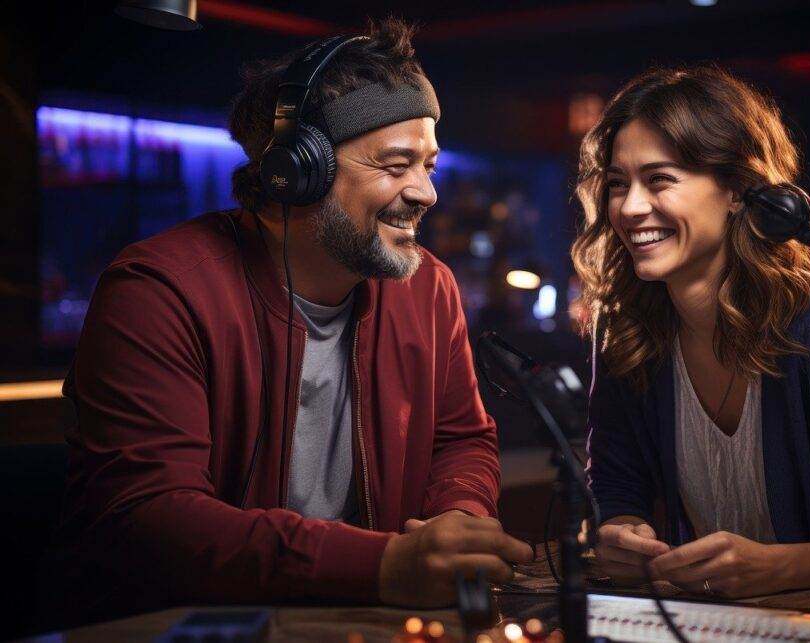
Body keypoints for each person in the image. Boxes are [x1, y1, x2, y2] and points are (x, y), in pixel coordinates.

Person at [47, 18, 531, 626]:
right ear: (297, 173)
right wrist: (383, 565)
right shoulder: (158, 291)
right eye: (396, 165)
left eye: (428, 166)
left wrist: (455, 521)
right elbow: (150, 518)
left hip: (368, 623)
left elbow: (459, 440)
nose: (426, 193)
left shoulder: (428, 287)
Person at [571, 65, 810, 599]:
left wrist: (773, 568)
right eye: (617, 184)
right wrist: (620, 534)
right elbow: (616, 488)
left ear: (739, 189)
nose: (629, 208)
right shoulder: (626, 329)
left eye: (660, 179)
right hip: (713, 622)